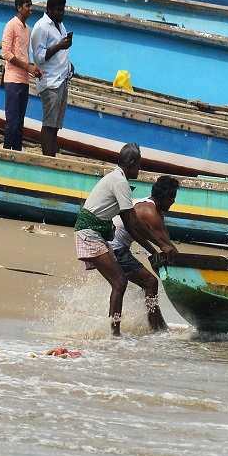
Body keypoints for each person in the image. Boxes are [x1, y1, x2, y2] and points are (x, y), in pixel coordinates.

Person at [74, 143, 177, 337]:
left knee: (136, 283)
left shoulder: (118, 179)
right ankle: (117, 334)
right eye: (139, 165)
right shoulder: (120, 182)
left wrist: (154, 250)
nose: (140, 169)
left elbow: (132, 226)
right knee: (122, 282)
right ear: (130, 163)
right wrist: (161, 245)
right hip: (90, 234)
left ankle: (141, 328)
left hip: (97, 234)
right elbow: (132, 223)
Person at [109, 175, 180, 332]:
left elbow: (161, 245)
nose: (173, 202)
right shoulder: (150, 213)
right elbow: (169, 248)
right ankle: (155, 328)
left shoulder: (149, 205)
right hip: (114, 249)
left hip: (115, 247)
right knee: (150, 282)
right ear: (164, 197)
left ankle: (158, 325)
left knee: (148, 283)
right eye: (172, 198)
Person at [30, 0, 73, 157]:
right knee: (49, 123)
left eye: (63, 9)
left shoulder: (60, 24)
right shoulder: (41, 28)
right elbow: (39, 57)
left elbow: (59, 52)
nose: (61, 13)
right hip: (50, 82)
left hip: (62, 79)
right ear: (49, 9)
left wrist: (69, 64)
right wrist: (59, 46)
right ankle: (48, 158)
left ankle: (52, 154)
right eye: (58, 10)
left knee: (56, 124)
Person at [1, 0, 41, 151]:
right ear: (19, 7)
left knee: (20, 121)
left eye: (31, 5)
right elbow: (6, 53)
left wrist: (33, 69)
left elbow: (24, 55)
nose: (30, 8)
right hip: (12, 79)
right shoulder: (11, 25)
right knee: (12, 120)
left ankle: (16, 152)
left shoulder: (27, 29)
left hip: (24, 80)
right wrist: (27, 67)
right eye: (27, 5)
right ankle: (6, 151)